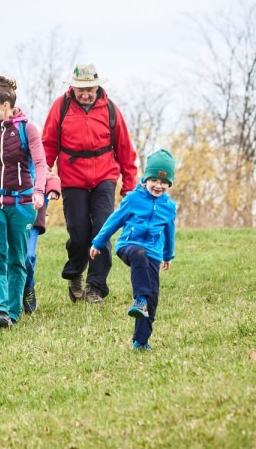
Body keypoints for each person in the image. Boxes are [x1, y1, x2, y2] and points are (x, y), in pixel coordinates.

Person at [40, 63, 138, 304]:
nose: (85, 94)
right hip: (72, 179)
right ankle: (75, 273)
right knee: (79, 233)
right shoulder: (61, 107)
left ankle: (96, 286)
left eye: (89, 89)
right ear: (72, 88)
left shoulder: (111, 110)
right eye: (80, 89)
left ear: (97, 87)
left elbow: (125, 150)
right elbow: (48, 144)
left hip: (104, 177)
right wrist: (42, 177)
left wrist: (129, 188)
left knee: (102, 230)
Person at [0, 77, 49, 329]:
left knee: (18, 257)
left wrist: (39, 191)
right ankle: (0, 309)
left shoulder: (28, 129)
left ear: (5, 105)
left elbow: (40, 163)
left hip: (22, 204)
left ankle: (13, 312)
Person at [90, 149, 178, 351]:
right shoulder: (133, 199)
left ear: (169, 184)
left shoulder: (169, 206)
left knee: (153, 299)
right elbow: (114, 221)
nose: (158, 185)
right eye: (154, 179)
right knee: (138, 255)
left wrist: (167, 255)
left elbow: (170, 231)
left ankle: (141, 341)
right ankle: (139, 299)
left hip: (154, 254)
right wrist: (98, 242)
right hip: (129, 246)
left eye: (164, 182)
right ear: (146, 178)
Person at [22, 171, 63, 313]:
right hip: (12, 218)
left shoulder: (37, 160)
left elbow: (51, 177)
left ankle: (28, 287)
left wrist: (53, 190)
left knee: (28, 257)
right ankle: (10, 296)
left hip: (32, 221)